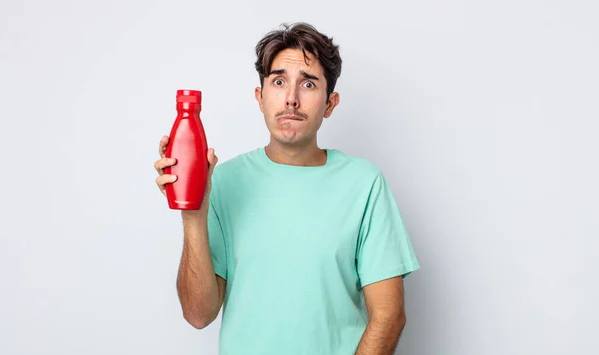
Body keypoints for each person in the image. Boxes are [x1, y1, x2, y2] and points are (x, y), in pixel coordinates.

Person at [154, 22, 420, 355]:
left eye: (308, 84)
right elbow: (198, 314)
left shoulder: (365, 184)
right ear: (260, 97)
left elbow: (389, 315)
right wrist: (193, 215)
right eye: (279, 82)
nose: (291, 99)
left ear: (330, 103)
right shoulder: (222, 182)